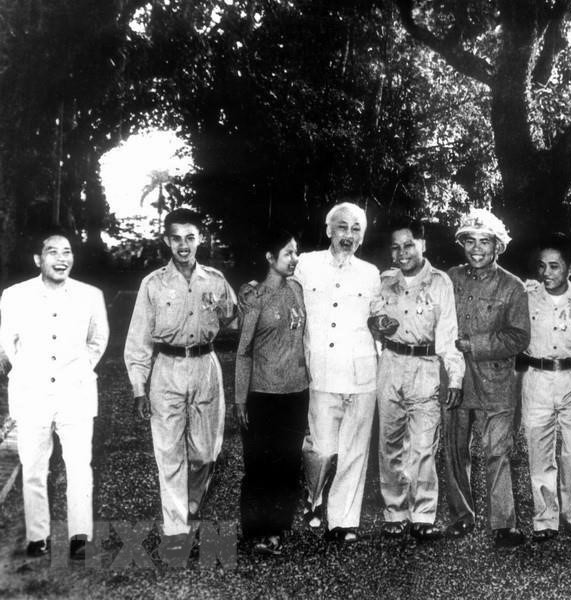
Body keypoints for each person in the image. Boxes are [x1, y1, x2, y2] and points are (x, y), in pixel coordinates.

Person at [124, 208, 237, 551]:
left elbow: (233, 325)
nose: (184, 245)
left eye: (190, 237)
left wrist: (233, 314)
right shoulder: (153, 284)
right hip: (167, 369)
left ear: (200, 239)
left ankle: (189, 503)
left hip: (205, 365)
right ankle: (175, 529)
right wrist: (139, 389)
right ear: (167, 241)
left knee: (205, 453)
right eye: (177, 238)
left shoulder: (216, 281)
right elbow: (138, 340)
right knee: (169, 452)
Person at [0, 229, 109, 559]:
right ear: (38, 259)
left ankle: (79, 538)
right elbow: (9, 343)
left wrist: (77, 370)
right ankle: (38, 536)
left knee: (79, 466)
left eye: (67, 252)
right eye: (53, 252)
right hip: (31, 394)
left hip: (75, 394)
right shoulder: (14, 295)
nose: (62, 259)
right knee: (33, 467)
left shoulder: (90, 295)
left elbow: (98, 340)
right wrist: (30, 373)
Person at [370, 220, 464, 541]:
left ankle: (423, 514)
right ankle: (394, 512)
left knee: (424, 446)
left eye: (408, 244)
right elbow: (371, 318)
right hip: (391, 364)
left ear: (422, 244)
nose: (402, 252)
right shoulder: (384, 281)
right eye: (395, 247)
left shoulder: (440, 283)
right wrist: (376, 323)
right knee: (390, 444)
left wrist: (454, 377)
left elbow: (448, 335)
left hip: (425, 365)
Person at [444, 208, 530, 548]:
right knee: (454, 450)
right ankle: (461, 516)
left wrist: (474, 344)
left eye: (485, 241)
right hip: (456, 378)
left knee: (497, 451)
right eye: (470, 241)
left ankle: (503, 524)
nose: (477, 248)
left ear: (498, 247)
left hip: (496, 381)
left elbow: (518, 337)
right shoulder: (449, 277)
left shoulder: (513, 286)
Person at [296, 201, 381, 543]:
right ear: (328, 229)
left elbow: (379, 315)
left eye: (356, 229)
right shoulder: (305, 264)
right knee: (321, 449)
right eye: (342, 227)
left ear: (363, 236)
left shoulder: (372, 273)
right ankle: (313, 497)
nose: (348, 235)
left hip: (361, 374)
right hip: (319, 373)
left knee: (354, 450)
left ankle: (343, 521)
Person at [234, 230, 309, 555]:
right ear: (269, 257)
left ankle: (277, 531)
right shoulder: (254, 297)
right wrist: (240, 398)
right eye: (288, 253)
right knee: (258, 466)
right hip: (262, 394)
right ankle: (254, 531)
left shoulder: (297, 289)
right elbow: (244, 351)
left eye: (296, 253)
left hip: (296, 393)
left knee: (288, 465)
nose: (294, 259)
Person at [518, 233, 571, 545]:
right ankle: (545, 517)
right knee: (539, 453)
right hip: (537, 378)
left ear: (570, 268)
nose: (546, 273)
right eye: (542, 266)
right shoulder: (527, 295)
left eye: (554, 266)